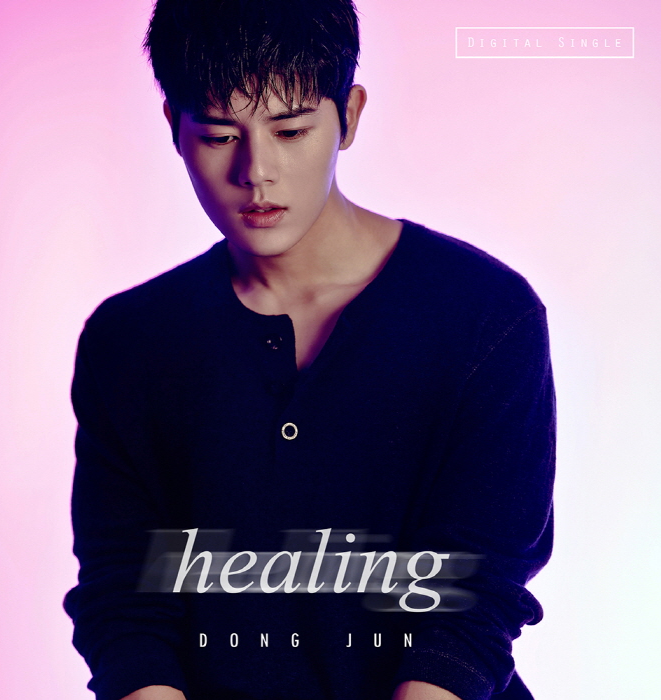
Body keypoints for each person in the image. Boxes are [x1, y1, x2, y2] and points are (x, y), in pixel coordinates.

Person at [64, 1, 556, 699]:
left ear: (348, 117)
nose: (256, 172)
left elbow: (472, 599)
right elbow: (125, 599)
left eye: (291, 130)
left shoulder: (485, 315)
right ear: (173, 126)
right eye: (219, 134)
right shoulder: (129, 341)